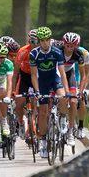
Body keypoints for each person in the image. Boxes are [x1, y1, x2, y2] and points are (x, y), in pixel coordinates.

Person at [29, 27, 69, 159]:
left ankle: (63, 118)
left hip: (54, 79)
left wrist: (67, 91)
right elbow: (34, 76)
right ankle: (43, 141)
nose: (45, 43)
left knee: (63, 97)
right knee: (43, 112)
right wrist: (37, 91)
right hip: (42, 82)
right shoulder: (34, 54)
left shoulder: (57, 52)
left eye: (47, 40)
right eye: (42, 41)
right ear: (39, 41)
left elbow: (62, 73)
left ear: (50, 39)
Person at [60, 32, 89, 140]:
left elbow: (86, 74)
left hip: (75, 77)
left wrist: (81, 90)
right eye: (67, 45)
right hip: (60, 73)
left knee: (79, 100)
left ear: (77, 45)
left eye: (72, 45)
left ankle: (80, 127)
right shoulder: (59, 50)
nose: (69, 48)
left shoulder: (84, 53)